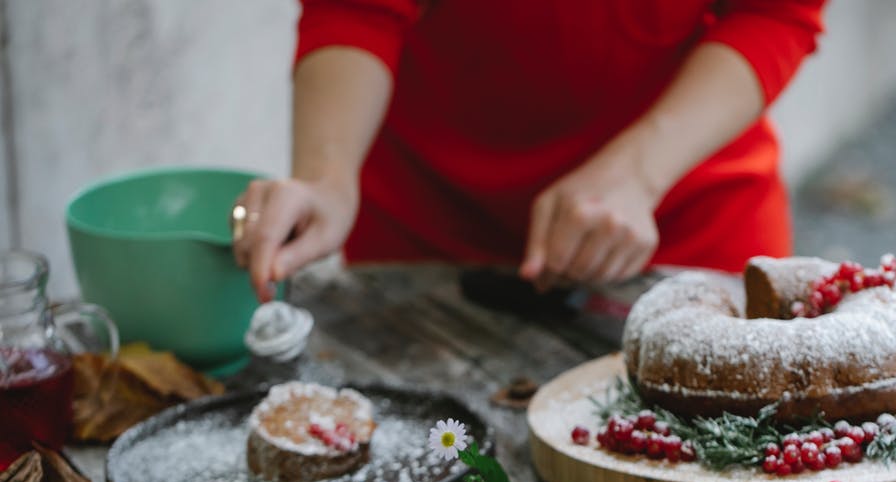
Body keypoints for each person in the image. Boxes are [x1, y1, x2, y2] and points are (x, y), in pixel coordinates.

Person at [232, 0, 826, 303]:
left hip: (686, 208)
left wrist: (638, 173)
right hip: (427, 219)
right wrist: (325, 174)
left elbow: (773, 12)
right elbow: (358, 8)